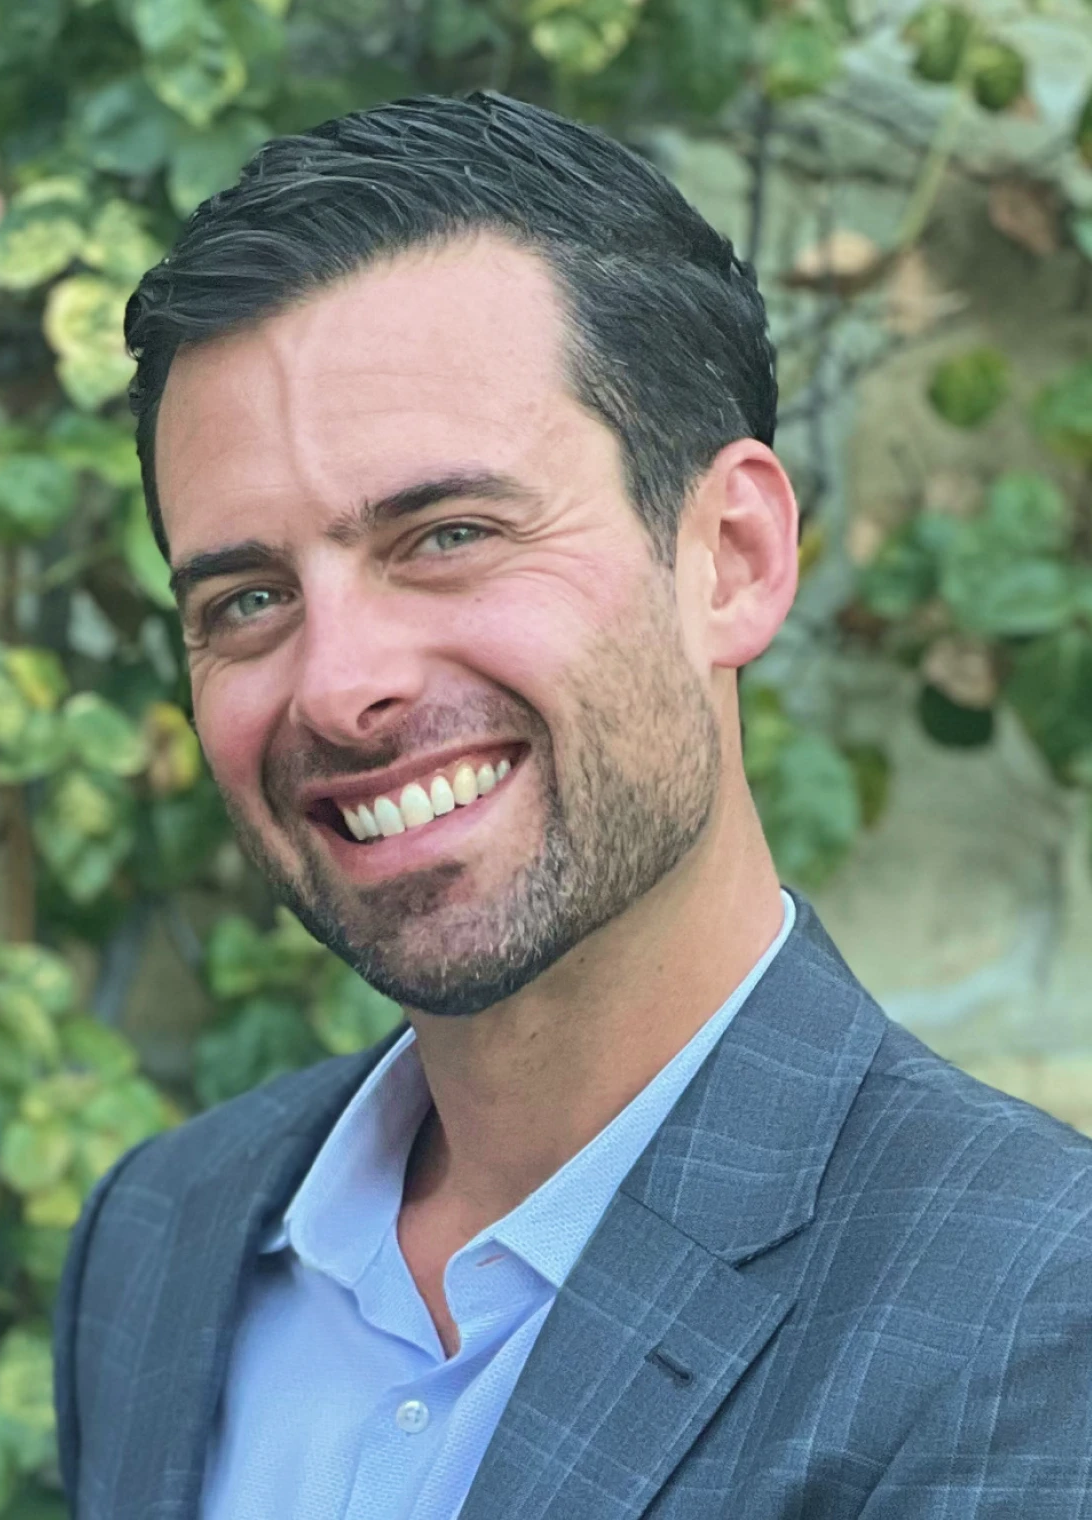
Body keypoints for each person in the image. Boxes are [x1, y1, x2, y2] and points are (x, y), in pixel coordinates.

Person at [53, 91, 1092, 1519]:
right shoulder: (160, 1240)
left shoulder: (1031, 1313)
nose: (339, 686)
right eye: (247, 599)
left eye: (450, 536)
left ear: (731, 556)